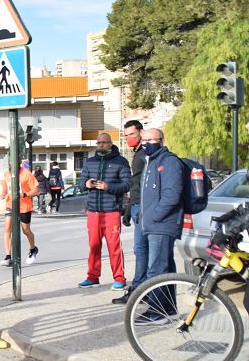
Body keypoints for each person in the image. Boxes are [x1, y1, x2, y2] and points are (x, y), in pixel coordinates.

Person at [135, 128, 183, 323]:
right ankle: (169, 310)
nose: (145, 144)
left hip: (162, 224)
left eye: (150, 140)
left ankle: (156, 312)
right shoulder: (151, 162)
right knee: (166, 268)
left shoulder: (169, 161)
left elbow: (172, 194)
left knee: (156, 270)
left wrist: (154, 216)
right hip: (152, 224)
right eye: (143, 140)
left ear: (161, 141)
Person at [77, 132, 131, 290]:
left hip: (112, 211)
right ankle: (92, 277)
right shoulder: (90, 162)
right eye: (98, 143)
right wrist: (86, 184)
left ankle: (119, 278)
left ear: (110, 143)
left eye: (104, 142)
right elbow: (81, 184)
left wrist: (109, 187)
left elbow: (127, 184)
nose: (101, 145)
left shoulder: (121, 162)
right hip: (93, 211)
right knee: (93, 245)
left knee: (114, 246)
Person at [114, 120, 147, 305]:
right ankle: (140, 289)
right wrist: (128, 206)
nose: (128, 139)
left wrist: (134, 206)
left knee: (141, 250)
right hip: (136, 205)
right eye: (125, 135)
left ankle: (139, 291)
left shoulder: (144, 155)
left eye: (132, 135)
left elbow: (142, 184)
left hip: (142, 207)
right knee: (141, 250)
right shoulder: (138, 155)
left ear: (141, 133)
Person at [0, 160, 40, 267]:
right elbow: (5, 186)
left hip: (24, 207)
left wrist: (24, 194)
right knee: (7, 228)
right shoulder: (7, 174)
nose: (11, 166)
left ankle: (33, 249)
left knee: (26, 230)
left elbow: (36, 190)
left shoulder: (26, 173)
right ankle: (8, 257)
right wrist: (3, 194)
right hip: (10, 205)